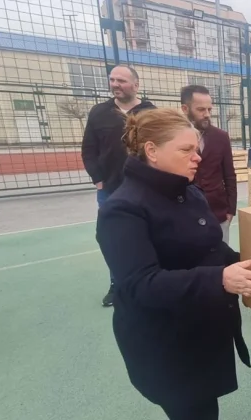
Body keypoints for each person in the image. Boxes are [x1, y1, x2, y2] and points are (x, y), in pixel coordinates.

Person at [95, 108, 251, 420]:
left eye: (197, 150)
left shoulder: (186, 190)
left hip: (198, 331)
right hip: (165, 345)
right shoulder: (122, 210)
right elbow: (141, 283)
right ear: (152, 150)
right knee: (192, 411)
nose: (197, 158)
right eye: (186, 150)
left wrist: (247, 266)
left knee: (203, 407)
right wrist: (221, 279)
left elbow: (210, 247)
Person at [81, 64, 156, 307]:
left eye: (122, 81)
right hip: (111, 189)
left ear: (136, 84)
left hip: (145, 188)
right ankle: (117, 283)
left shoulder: (150, 113)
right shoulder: (99, 112)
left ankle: (152, 279)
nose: (115, 85)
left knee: (150, 234)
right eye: (112, 80)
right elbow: (89, 149)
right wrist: (97, 178)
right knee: (112, 238)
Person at [180, 85, 237, 243]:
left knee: (221, 259)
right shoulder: (174, 139)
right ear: (185, 108)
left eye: (209, 110)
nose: (207, 115)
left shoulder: (221, 137)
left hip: (219, 213)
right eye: (201, 110)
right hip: (187, 213)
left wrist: (231, 209)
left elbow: (229, 175)